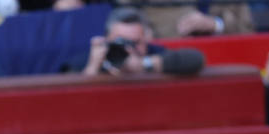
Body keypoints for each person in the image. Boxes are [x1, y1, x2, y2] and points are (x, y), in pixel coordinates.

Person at [68, 7, 205, 77]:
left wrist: (144, 64)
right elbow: (65, 97)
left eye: (136, 43)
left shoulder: (154, 52)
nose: (129, 50)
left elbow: (196, 59)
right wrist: (92, 69)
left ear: (146, 39)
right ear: (106, 39)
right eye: (121, 42)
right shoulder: (89, 58)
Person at [112, 0, 254, 39]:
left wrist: (216, 25)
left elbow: (248, 32)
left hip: (224, 70)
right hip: (166, 73)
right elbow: (122, 20)